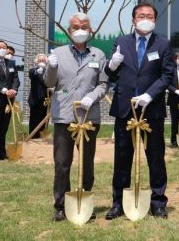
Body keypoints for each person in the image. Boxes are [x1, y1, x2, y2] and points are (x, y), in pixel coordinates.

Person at [104, 3, 173, 220]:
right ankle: (118, 202)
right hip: (126, 107)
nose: (145, 18)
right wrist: (112, 65)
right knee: (122, 157)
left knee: (155, 156)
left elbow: (167, 75)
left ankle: (158, 202)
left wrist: (149, 95)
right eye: (141, 15)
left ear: (155, 20)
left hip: (151, 108)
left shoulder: (163, 44)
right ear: (133, 20)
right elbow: (110, 74)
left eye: (150, 16)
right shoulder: (121, 42)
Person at [44, 12, 108, 221]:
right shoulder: (59, 53)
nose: (79, 30)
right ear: (69, 31)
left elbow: (104, 84)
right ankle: (61, 206)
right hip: (64, 115)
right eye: (75, 27)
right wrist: (51, 68)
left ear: (91, 30)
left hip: (89, 116)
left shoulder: (98, 54)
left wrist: (92, 96)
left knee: (86, 162)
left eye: (84, 27)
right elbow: (49, 83)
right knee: (62, 163)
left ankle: (84, 199)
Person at [28, 54, 49, 136]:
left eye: (43, 60)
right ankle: (33, 137)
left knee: (44, 120)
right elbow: (32, 74)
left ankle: (42, 136)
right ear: (37, 62)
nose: (42, 62)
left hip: (46, 100)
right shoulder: (33, 70)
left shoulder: (49, 72)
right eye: (40, 60)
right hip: (35, 99)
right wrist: (37, 71)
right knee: (34, 120)